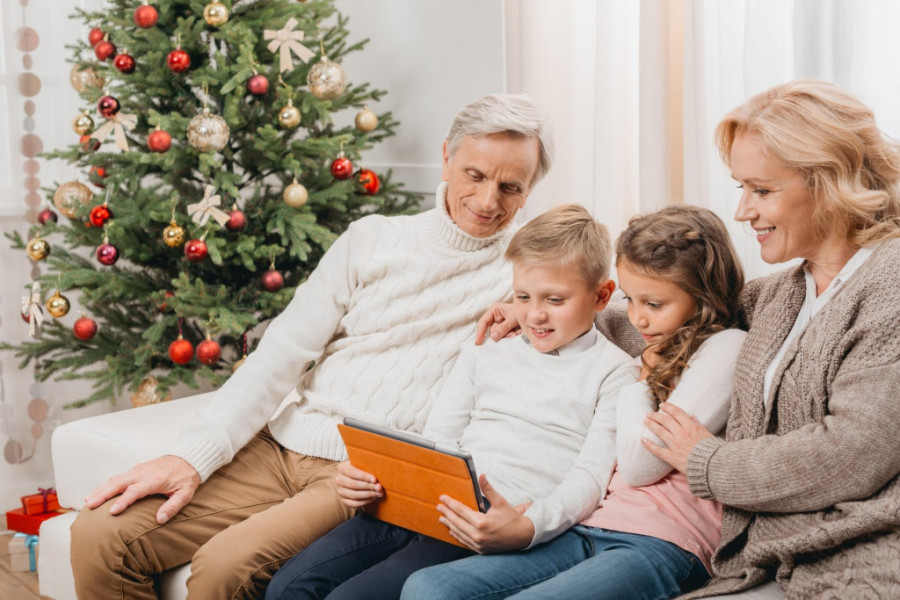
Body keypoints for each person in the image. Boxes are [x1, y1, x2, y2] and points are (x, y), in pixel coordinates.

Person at [69, 93, 554, 600]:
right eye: (475, 175)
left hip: (366, 475)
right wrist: (190, 459)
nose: (488, 201)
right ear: (447, 158)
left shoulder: (531, 272)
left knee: (225, 566)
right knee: (102, 534)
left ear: (529, 192)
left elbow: (598, 303)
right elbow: (280, 355)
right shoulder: (372, 238)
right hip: (278, 444)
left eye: (510, 187)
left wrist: (530, 310)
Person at [264, 204, 638, 600]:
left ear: (602, 296)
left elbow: (590, 477)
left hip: (490, 522)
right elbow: (439, 438)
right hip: (426, 502)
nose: (534, 315)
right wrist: (379, 479)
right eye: (522, 296)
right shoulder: (487, 348)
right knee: (288, 587)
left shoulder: (616, 373)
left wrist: (530, 526)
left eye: (555, 300)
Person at [400, 205, 747, 600]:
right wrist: (529, 309)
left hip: (665, 537)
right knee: (429, 586)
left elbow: (639, 465)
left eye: (652, 305)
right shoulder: (653, 350)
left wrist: (640, 379)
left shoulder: (723, 347)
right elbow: (589, 308)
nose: (637, 320)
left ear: (703, 297)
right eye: (631, 300)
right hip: (593, 525)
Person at [642, 79, 900, 599]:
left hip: (864, 559)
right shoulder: (782, 293)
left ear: (828, 183)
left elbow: (852, 454)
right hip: (765, 561)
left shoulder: (889, 285)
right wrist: (552, 309)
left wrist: (707, 461)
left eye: (761, 190)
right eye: (741, 187)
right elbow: (687, 310)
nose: (742, 211)